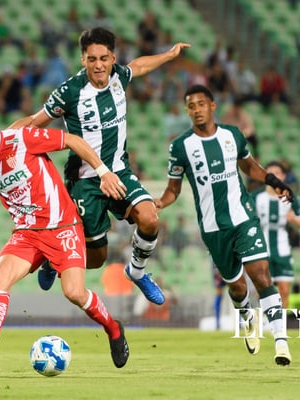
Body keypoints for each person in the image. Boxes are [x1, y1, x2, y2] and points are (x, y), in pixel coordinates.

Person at [0, 103, 129, 369]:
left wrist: (103, 172)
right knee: (0, 275)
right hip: (26, 232)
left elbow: (72, 140)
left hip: (61, 226)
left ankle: (113, 329)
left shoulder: (22, 139)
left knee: (74, 293)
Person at [11, 27, 190, 305]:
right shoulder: (69, 92)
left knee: (150, 218)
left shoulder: (118, 76)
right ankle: (52, 260)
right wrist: (2, 140)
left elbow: (138, 66)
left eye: (104, 58)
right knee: (96, 259)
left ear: (112, 58)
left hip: (118, 172)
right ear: (83, 59)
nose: (98, 65)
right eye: (92, 59)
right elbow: (35, 122)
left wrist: (168, 55)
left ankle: (137, 271)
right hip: (85, 181)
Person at [156, 85, 294, 365]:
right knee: (238, 288)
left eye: (201, 104)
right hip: (213, 228)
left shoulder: (232, 135)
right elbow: (173, 189)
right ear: (187, 111)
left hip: (243, 218)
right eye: (191, 105)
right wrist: (158, 203)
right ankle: (247, 318)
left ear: (212, 106)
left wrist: (273, 181)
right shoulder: (181, 146)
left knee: (263, 276)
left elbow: (250, 167)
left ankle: (281, 343)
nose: (196, 109)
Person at [254, 161, 300, 307]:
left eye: (277, 173)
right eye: (270, 172)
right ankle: (266, 322)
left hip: (282, 248)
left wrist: (295, 220)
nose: (273, 176)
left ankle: (281, 325)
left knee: (284, 290)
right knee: (263, 290)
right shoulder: (256, 196)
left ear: (283, 176)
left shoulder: (288, 197)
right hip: (262, 249)